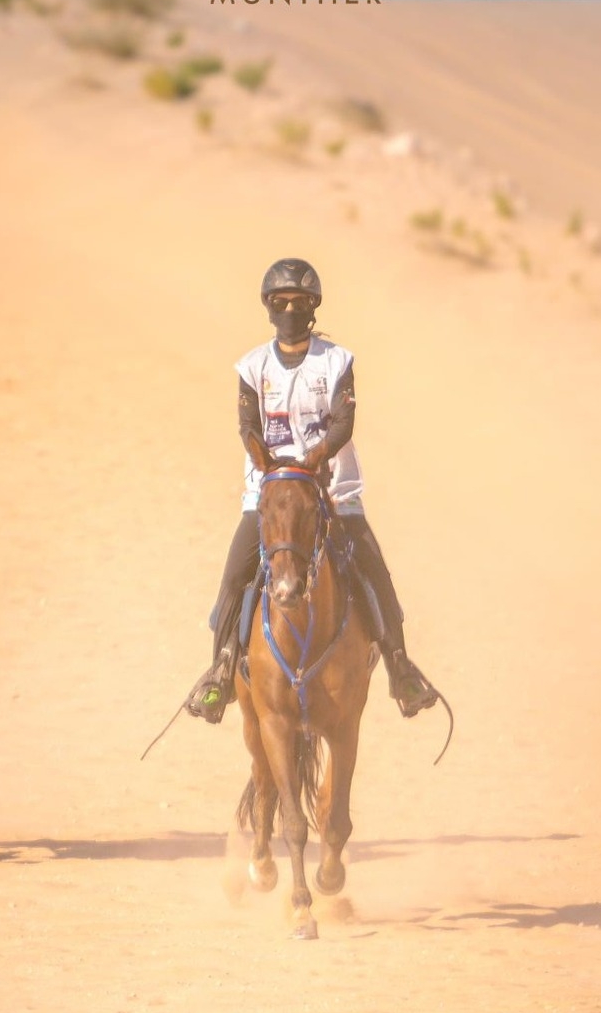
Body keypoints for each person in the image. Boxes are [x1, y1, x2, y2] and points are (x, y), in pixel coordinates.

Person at [184, 258, 438, 722]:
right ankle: (220, 670)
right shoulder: (252, 366)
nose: (290, 310)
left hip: (334, 492)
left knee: (374, 573)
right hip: (272, 495)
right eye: (280, 302)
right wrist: (269, 464)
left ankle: (401, 669)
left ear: (313, 308)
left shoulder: (337, 361)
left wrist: (317, 457)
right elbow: (247, 425)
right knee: (233, 577)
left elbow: (344, 421)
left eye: (299, 303)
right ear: (268, 308)